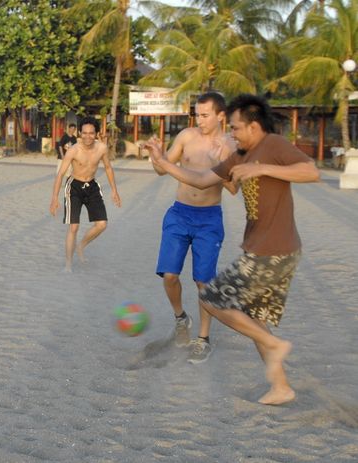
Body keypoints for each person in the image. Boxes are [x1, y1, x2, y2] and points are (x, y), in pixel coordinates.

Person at [144, 94, 320, 405]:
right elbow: (199, 179)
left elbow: (311, 171)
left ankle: (272, 344)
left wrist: (262, 168)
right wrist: (162, 162)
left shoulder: (273, 145)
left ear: (253, 126)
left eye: (237, 128)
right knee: (255, 319)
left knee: (211, 298)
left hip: (273, 249)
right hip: (267, 247)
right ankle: (281, 386)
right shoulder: (240, 154)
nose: (233, 133)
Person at [150, 92, 238, 363]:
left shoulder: (231, 145)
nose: (199, 120)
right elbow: (161, 170)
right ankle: (180, 318)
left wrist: (222, 163)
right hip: (179, 213)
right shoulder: (186, 137)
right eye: (196, 115)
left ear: (220, 116)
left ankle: (203, 338)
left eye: (204, 115)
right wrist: (157, 155)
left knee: (203, 282)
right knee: (169, 276)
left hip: (209, 219)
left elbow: (234, 188)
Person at [49, 116, 121, 272]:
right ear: (80, 133)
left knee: (102, 224)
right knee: (74, 227)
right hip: (74, 186)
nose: (88, 136)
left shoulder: (102, 148)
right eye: (85, 133)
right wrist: (54, 198)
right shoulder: (74, 150)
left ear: (96, 133)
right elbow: (60, 174)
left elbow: (108, 168)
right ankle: (68, 264)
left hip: (92, 186)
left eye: (91, 133)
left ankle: (81, 245)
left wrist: (114, 190)